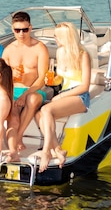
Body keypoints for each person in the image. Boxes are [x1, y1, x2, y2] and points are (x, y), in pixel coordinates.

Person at [34, 22, 91, 172]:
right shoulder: (60, 52)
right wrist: (54, 81)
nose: (54, 38)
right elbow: (63, 79)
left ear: (66, 37)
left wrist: (61, 96)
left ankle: (46, 151)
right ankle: (58, 150)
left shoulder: (83, 55)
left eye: (57, 36)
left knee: (46, 110)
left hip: (80, 96)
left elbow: (84, 86)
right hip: (65, 93)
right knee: (39, 114)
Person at [2, 11, 49, 162]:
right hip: (13, 89)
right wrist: (10, 78)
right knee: (13, 115)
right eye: (17, 30)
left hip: (33, 89)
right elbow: (2, 77)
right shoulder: (9, 50)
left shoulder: (39, 48)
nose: (21, 34)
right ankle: (13, 150)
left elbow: (42, 78)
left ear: (31, 28)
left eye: (25, 30)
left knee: (33, 99)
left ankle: (19, 135)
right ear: (12, 30)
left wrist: (25, 93)